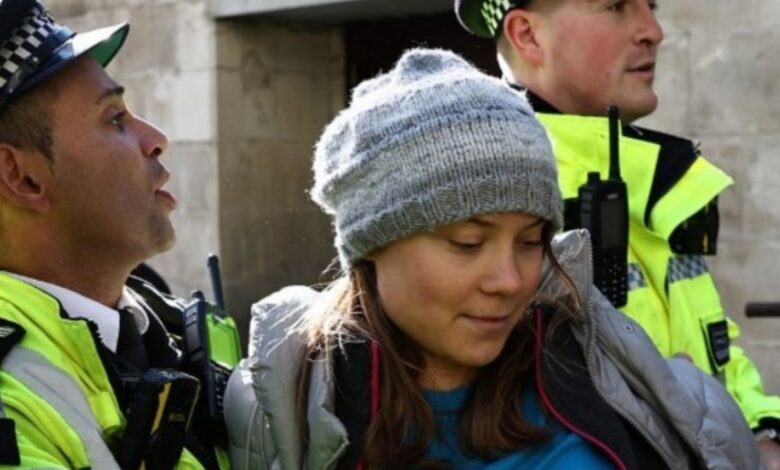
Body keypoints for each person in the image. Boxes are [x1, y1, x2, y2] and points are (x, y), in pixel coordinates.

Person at [223, 48, 759, 469]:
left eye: (531, 242)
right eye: (467, 243)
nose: (510, 281)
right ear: (372, 244)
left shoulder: (629, 390)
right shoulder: (275, 419)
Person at [454, 0, 780, 466]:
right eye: (616, 6)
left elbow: (712, 347)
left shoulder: (648, 176)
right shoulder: (487, 195)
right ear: (527, 35)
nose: (654, 31)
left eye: (651, 6)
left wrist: (764, 432)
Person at [0, 0, 226, 468]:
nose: (156, 138)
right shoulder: (10, 395)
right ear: (23, 178)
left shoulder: (167, 325)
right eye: (115, 119)